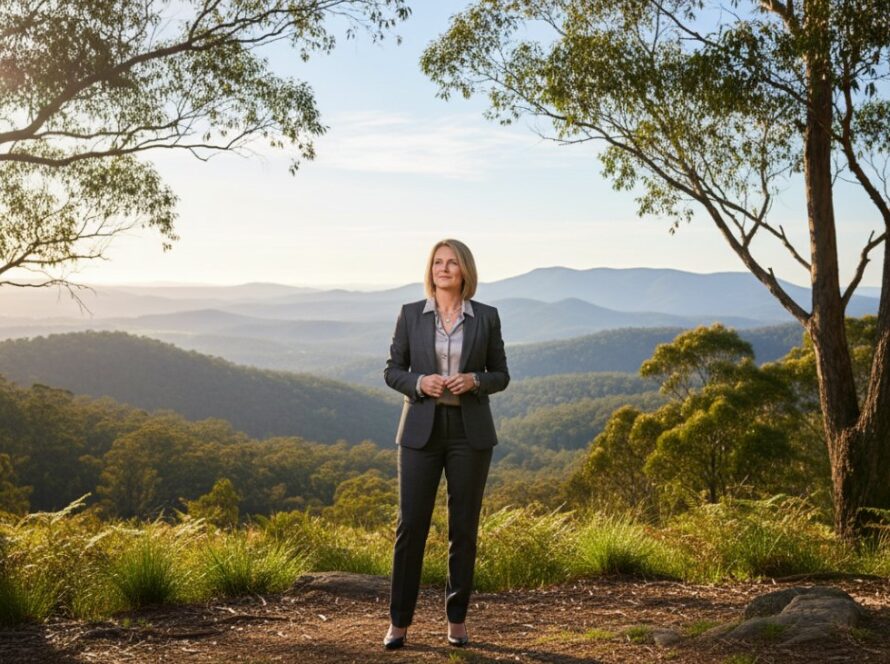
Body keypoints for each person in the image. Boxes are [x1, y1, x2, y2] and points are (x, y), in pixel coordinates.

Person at [382, 238, 509, 650]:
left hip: (469, 433)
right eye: (438, 262)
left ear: (465, 270)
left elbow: (501, 375)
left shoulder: (486, 317)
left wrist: (475, 380)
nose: (444, 268)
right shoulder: (410, 315)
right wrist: (419, 383)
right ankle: (399, 623)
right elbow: (392, 371)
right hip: (421, 432)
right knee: (410, 527)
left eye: (452, 262)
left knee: (463, 529)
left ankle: (457, 620)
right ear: (430, 269)